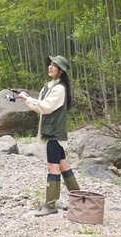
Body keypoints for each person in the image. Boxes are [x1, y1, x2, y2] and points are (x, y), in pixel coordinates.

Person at [18, 55, 80, 217]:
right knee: (64, 166)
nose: (50, 67)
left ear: (61, 71)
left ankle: (51, 205)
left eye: (54, 65)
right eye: (50, 65)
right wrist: (28, 99)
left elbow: (45, 107)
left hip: (54, 133)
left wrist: (27, 98)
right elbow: (40, 106)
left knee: (53, 168)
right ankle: (79, 199)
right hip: (52, 132)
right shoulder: (50, 86)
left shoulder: (59, 89)